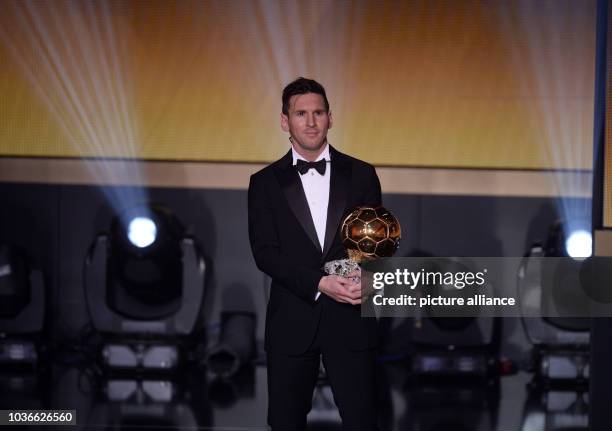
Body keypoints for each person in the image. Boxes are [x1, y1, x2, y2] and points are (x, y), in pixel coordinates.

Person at [248, 77, 381, 430]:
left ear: (330, 118)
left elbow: (371, 245)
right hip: (292, 319)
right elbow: (265, 253)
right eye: (301, 113)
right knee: (285, 422)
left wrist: (357, 278)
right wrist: (320, 282)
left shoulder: (362, 174)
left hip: (350, 318)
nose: (310, 121)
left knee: (363, 422)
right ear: (284, 121)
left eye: (318, 112)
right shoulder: (264, 183)